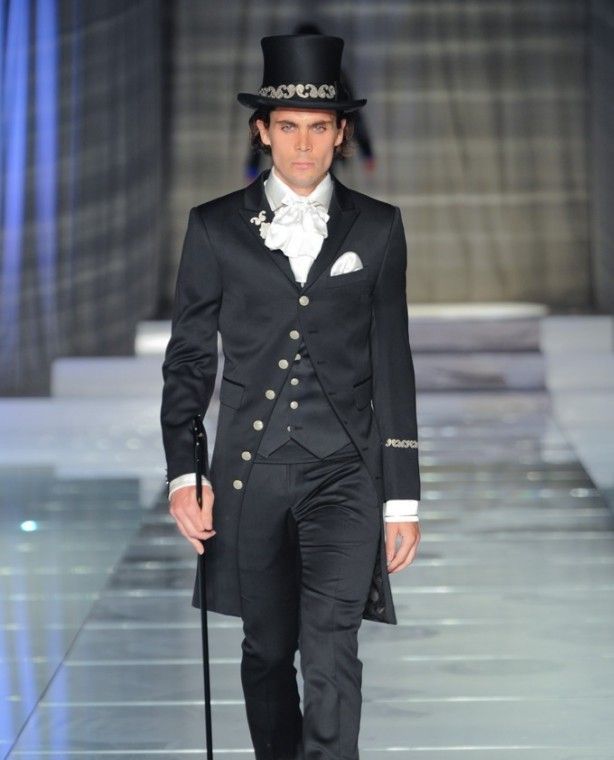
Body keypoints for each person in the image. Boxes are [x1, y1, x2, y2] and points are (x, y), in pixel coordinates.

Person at [160, 33, 421, 760]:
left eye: (318, 127)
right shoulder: (214, 227)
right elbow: (189, 360)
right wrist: (184, 473)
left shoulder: (379, 227)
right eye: (287, 126)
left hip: (346, 474)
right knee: (269, 652)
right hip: (252, 475)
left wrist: (402, 498)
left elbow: (392, 363)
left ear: (340, 134)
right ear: (262, 131)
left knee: (332, 648)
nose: (302, 144)